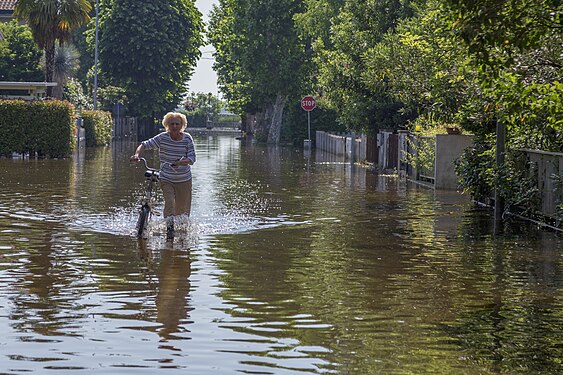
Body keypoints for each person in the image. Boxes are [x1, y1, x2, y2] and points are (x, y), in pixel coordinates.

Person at [131, 112, 196, 235]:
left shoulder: (187, 138)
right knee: (170, 202)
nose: (175, 126)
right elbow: (144, 144)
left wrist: (181, 162)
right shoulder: (162, 137)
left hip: (184, 179)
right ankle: (169, 228)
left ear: (182, 125)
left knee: (182, 211)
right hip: (166, 177)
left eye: (177, 124)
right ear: (167, 125)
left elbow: (192, 159)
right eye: (172, 124)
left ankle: (181, 235)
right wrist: (137, 155)